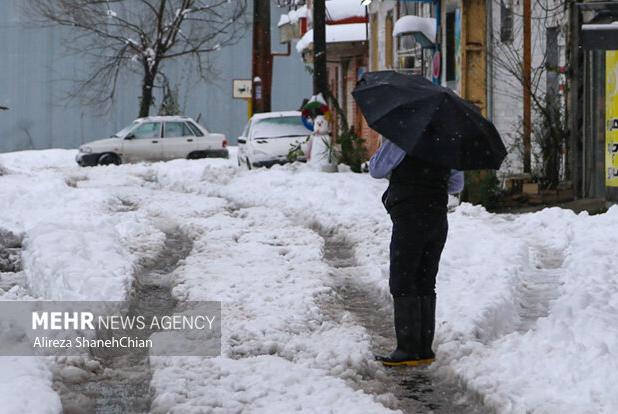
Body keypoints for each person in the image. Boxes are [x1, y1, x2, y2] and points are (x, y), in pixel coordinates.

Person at [369, 138, 464, 366]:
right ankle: (423, 348)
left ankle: (407, 350)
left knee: (403, 280)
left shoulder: (402, 136)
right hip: (436, 216)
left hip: (410, 214)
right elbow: (456, 184)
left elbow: (376, 169)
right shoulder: (447, 139)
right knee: (425, 280)